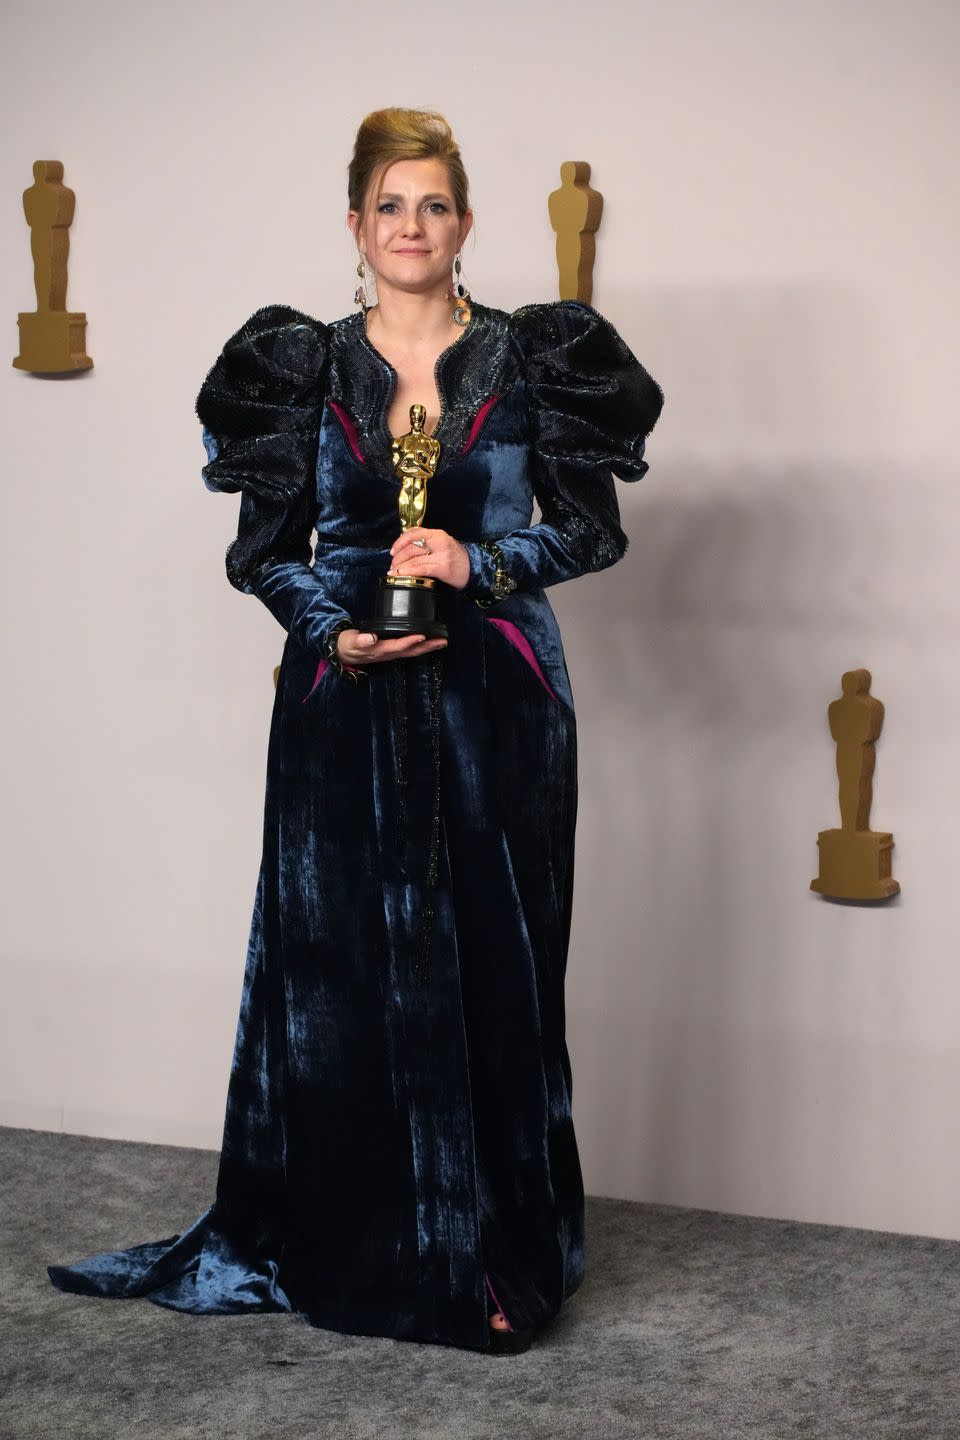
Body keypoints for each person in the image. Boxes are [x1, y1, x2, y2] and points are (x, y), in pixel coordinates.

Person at [47, 107, 664, 1356]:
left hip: (499, 702)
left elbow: (590, 532)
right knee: (339, 977)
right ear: (355, 224)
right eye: (391, 204)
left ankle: (492, 1256)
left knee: (496, 969)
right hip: (342, 701)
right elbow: (265, 557)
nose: (413, 227)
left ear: (467, 223)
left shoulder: (536, 357)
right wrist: (335, 633)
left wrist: (480, 560)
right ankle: (349, 1249)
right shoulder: (302, 366)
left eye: (435, 204)